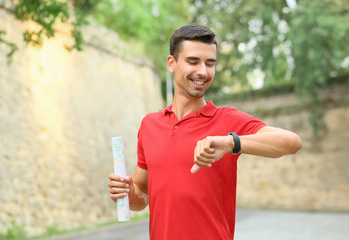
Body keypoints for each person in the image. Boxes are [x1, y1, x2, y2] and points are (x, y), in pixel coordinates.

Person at [108, 24, 302, 240]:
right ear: (171, 63)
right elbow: (142, 195)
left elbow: (291, 142)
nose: (203, 71)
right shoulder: (149, 124)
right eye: (193, 62)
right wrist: (127, 193)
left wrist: (231, 143)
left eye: (210, 64)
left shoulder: (226, 120)